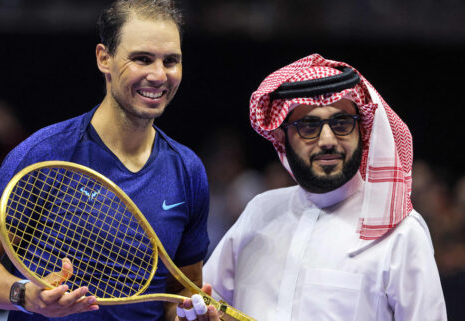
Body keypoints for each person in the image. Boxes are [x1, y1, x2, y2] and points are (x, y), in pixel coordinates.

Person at [0, 1, 210, 320]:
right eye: (142, 59)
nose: (159, 75)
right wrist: (26, 296)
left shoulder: (188, 171)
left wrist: (189, 315)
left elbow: (182, 292)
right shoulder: (46, 153)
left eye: (170, 61)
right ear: (104, 58)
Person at [179, 53, 447, 320]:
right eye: (309, 126)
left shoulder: (401, 232)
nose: (328, 139)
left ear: (362, 132)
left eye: (342, 124)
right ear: (283, 137)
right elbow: (209, 305)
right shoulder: (260, 212)